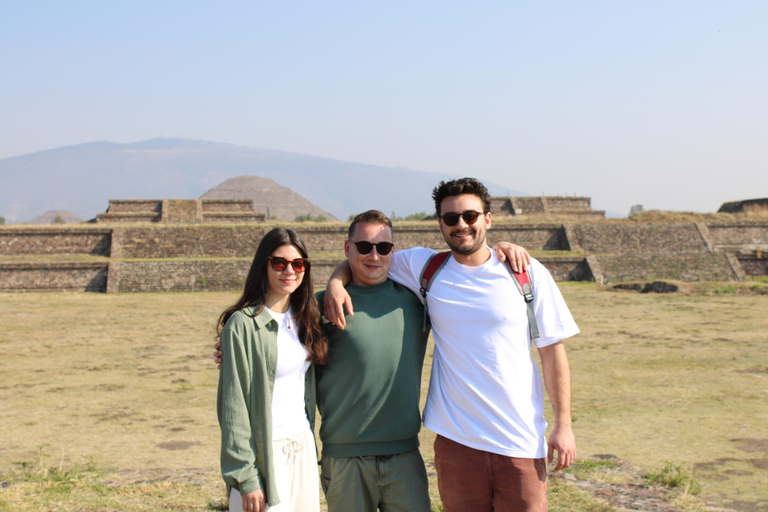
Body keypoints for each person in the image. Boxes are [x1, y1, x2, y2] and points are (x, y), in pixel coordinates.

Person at [215, 212, 530, 512]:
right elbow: (270, 336)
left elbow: (466, 261)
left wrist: (499, 248)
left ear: (394, 250)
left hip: (404, 453)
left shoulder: (418, 299)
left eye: (383, 247)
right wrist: (232, 346)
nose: (374, 256)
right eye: (364, 247)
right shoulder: (320, 306)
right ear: (348, 248)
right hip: (343, 457)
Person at [324, 178, 578, 511]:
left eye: (471, 216)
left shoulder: (527, 273)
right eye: (451, 218)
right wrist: (335, 282)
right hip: (457, 444)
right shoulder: (426, 267)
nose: (461, 225)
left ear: (488, 219)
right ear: (440, 224)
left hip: (519, 441)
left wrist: (564, 424)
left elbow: (552, 353)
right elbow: (368, 257)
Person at [217, 227, 328, 512]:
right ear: (262, 266)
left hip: (302, 444)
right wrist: (247, 476)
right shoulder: (242, 325)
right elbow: (233, 407)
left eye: (298, 263)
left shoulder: (308, 316)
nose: (289, 270)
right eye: (279, 263)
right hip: (266, 452)